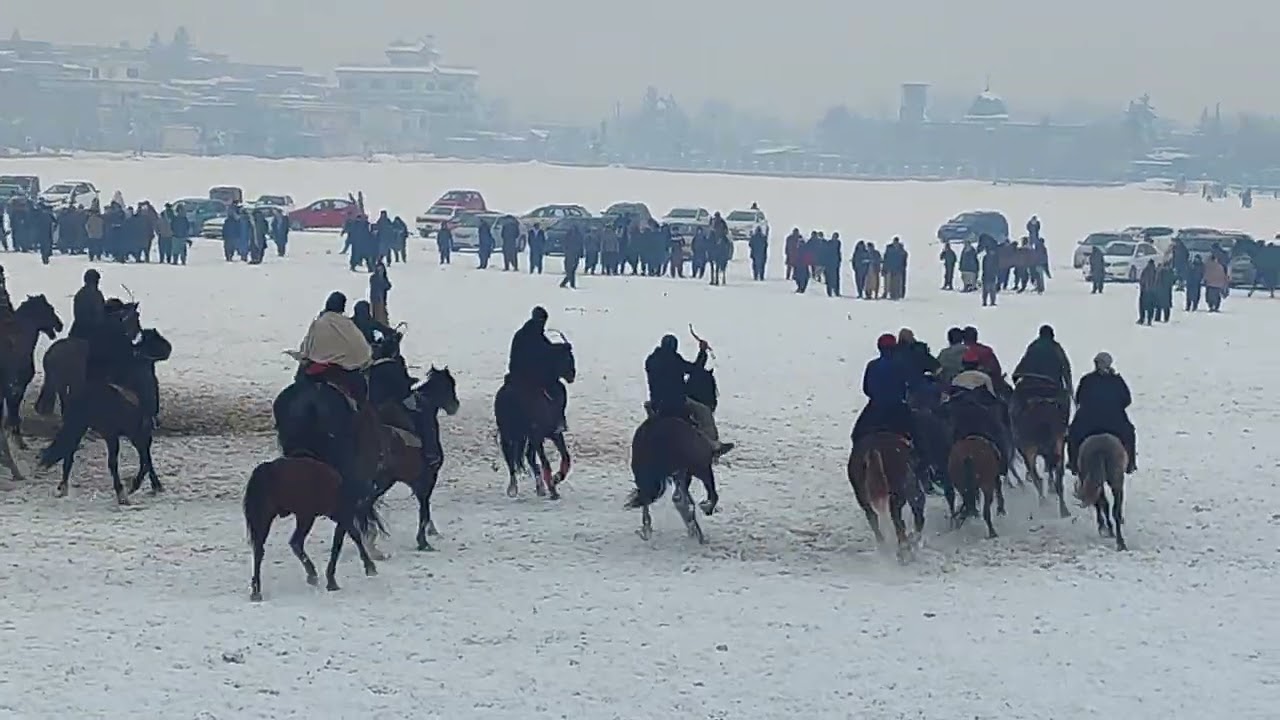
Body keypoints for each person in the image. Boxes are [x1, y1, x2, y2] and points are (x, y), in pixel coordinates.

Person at [644, 334, 734, 457]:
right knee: (704, 411)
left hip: (656, 402)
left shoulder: (651, 360)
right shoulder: (674, 359)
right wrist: (702, 352)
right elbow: (695, 369)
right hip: (676, 402)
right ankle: (713, 445)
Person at [296, 292, 373, 404]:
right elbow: (360, 347)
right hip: (343, 369)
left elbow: (306, 347)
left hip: (317, 368)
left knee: (300, 379)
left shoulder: (319, 322)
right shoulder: (347, 324)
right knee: (361, 391)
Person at [1067, 352, 1137, 474]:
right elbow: (1127, 400)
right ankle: (1131, 463)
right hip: (1115, 423)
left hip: (1088, 423)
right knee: (1129, 433)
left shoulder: (1087, 380)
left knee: (1073, 433)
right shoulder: (1117, 381)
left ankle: (1073, 463)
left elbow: (1079, 399)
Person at [508, 306, 566, 432]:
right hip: (527, 374)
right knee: (557, 389)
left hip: (516, 372)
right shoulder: (530, 334)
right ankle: (557, 419)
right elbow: (542, 351)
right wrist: (560, 349)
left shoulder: (528, 332)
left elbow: (545, 348)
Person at [850, 334, 913, 448]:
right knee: (918, 436)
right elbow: (908, 387)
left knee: (856, 435)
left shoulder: (872, 365)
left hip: (875, 409)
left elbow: (867, 389)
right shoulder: (902, 364)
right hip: (898, 409)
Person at [1011, 324, 1073, 418]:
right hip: (1052, 385)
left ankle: (1012, 425)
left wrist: (1016, 378)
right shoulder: (1056, 348)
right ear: (1052, 335)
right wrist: (1069, 388)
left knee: (1015, 404)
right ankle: (1065, 427)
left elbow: (1022, 364)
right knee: (1064, 403)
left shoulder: (1033, 346)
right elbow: (1066, 368)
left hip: (1030, 385)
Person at [70, 269, 107, 340]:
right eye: (96, 281)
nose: (97, 283)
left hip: (78, 329)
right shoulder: (93, 295)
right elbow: (98, 313)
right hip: (91, 330)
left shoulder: (81, 293)